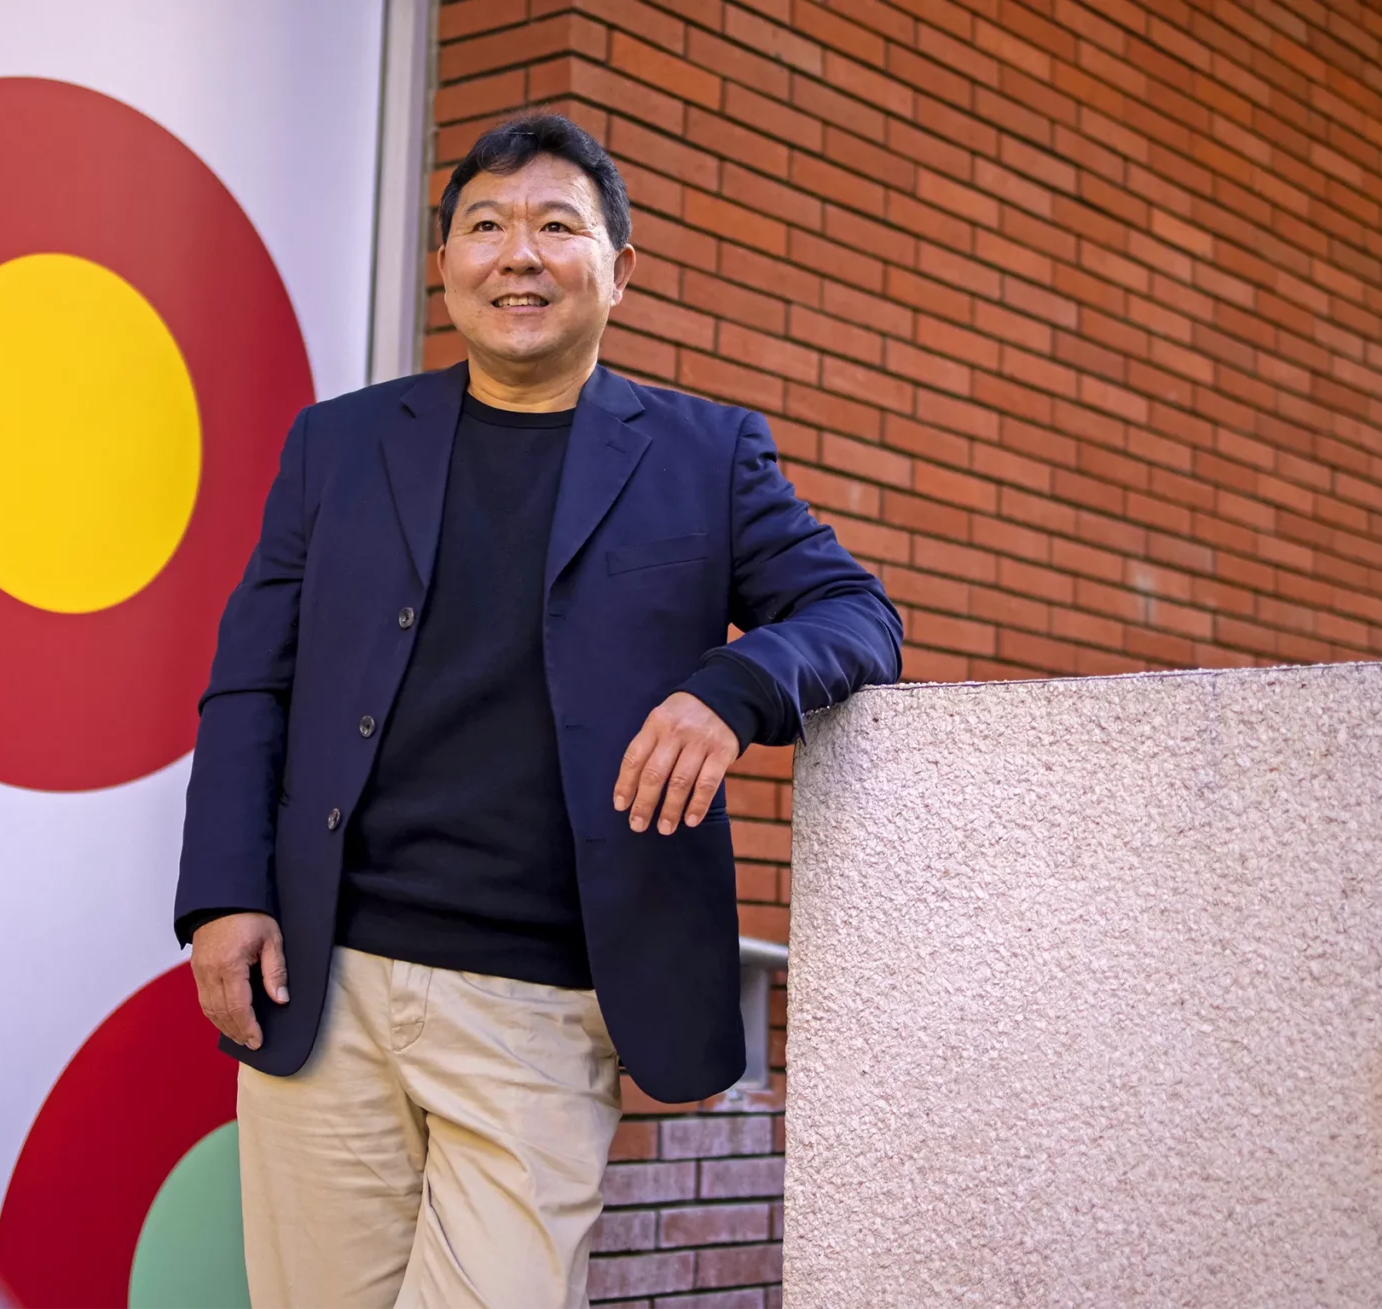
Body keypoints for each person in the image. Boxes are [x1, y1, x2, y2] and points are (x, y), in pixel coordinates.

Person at [174, 112, 902, 1309]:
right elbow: (253, 675)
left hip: (542, 1008)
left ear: (620, 270)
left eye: (557, 226)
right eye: (485, 226)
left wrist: (730, 688)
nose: (518, 253)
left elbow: (854, 613)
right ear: (446, 263)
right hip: (326, 979)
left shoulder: (704, 456)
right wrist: (224, 895)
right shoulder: (339, 446)